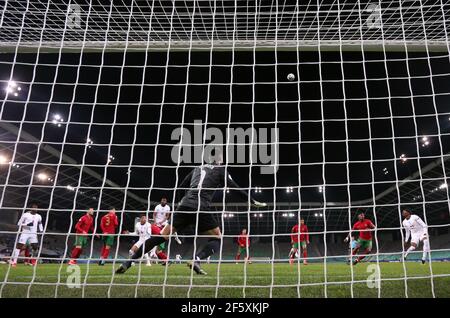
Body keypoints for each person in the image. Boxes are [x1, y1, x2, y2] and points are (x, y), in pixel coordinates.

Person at [116, 149, 266, 275]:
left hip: (185, 206)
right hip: (201, 207)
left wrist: (180, 204)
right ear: (218, 159)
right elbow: (234, 187)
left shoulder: (197, 168)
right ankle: (197, 260)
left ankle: (129, 262)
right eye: (221, 158)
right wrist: (252, 201)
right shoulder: (221, 170)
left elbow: (180, 187)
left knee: (162, 237)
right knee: (218, 238)